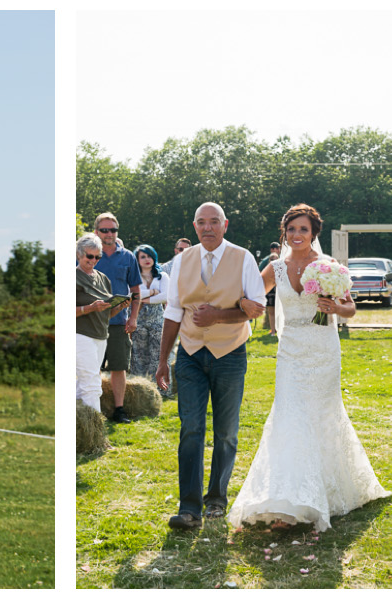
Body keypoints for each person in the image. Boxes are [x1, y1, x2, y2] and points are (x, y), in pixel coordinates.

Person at [227, 204, 390, 532]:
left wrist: (335, 307)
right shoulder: (276, 268)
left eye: (303, 229)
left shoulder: (330, 267)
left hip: (323, 350)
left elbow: (351, 308)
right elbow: (251, 297)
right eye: (291, 230)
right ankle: (285, 501)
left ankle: (327, 492)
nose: (296, 235)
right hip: (291, 352)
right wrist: (236, 305)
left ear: (313, 233)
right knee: (290, 418)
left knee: (322, 416)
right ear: (284, 234)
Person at [155, 202, 266, 530]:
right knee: (190, 427)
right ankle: (189, 509)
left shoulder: (243, 258)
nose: (208, 228)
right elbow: (174, 311)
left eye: (214, 222)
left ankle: (216, 497)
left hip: (229, 353)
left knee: (226, 432)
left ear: (225, 225)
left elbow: (256, 308)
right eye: (201, 222)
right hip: (189, 353)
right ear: (194, 226)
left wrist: (218, 315)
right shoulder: (181, 260)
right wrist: (164, 360)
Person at [93, 213, 142, 424]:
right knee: (90, 368)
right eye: (104, 230)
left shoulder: (128, 257)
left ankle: (119, 409)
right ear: (96, 232)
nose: (109, 234)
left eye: (113, 230)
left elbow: (136, 291)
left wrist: (133, 318)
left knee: (119, 367)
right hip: (91, 322)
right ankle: (90, 410)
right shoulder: (87, 255)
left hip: (119, 323)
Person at [77, 234, 128, 412]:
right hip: (80, 336)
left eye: (97, 257)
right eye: (89, 256)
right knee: (92, 385)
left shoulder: (103, 279)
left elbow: (105, 314)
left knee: (83, 384)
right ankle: (96, 435)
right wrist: (89, 308)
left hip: (101, 335)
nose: (93, 260)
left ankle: (81, 431)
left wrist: (119, 307)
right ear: (78, 254)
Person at [128, 244, 170, 395]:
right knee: (138, 356)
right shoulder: (133, 276)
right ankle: (139, 391)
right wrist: (152, 292)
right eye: (143, 257)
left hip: (157, 320)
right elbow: (131, 295)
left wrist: (143, 299)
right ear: (137, 259)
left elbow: (165, 296)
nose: (147, 259)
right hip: (137, 319)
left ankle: (160, 391)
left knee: (158, 355)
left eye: (149, 256)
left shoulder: (162, 276)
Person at [259, 243, 281, 335]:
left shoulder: (282, 263)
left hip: (279, 291)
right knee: (271, 312)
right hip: (270, 291)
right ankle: (273, 330)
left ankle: (278, 329)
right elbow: (260, 273)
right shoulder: (265, 262)